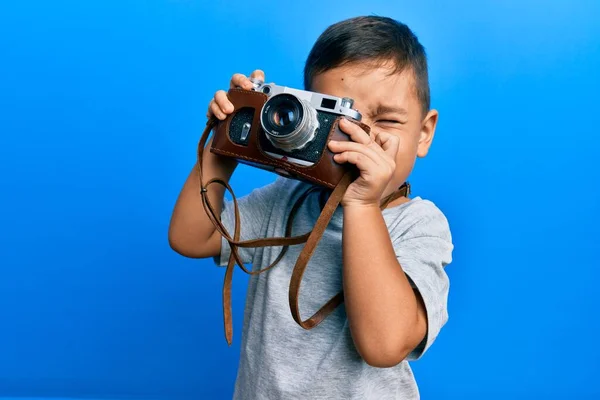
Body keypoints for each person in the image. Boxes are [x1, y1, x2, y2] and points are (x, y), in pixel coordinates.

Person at [169, 15, 453, 400]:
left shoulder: (420, 225)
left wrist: (362, 203)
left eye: (385, 120)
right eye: (340, 119)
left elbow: (383, 346)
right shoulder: (287, 198)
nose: (361, 136)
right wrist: (226, 144)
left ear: (423, 133)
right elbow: (190, 238)